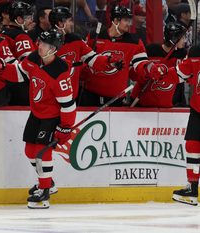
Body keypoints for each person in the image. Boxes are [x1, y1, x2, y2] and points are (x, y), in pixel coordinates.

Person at [0, 29, 76, 208]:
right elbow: (19, 72)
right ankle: (48, 183)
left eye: (43, 44)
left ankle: (44, 192)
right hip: (36, 112)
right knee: (29, 151)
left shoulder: (60, 72)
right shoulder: (34, 58)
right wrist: (2, 69)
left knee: (42, 151)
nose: (39, 45)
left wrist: (65, 127)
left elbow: (68, 104)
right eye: (40, 42)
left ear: (53, 49)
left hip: (52, 116)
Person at [81, 5, 165, 106]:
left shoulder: (134, 41)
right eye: (126, 20)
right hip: (90, 94)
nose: (129, 24)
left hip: (115, 98)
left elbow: (141, 63)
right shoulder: (95, 36)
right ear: (115, 21)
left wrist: (150, 68)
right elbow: (83, 56)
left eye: (129, 20)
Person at [48, 6, 124, 102]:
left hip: (70, 98)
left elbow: (93, 58)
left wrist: (109, 62)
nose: (72, 24)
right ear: (60, 23)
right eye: (69, 21)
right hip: (49, 99)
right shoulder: (45, 41)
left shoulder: (75, 40)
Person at [164, 46, 200, 206]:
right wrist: (161, 73)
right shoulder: (196, 53)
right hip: (198, 108)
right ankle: (192, 188)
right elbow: (180, 73)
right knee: (192, 145)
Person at [130, 21, 187, 107]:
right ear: (174, 39)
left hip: (167, 103)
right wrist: (149, 71)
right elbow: (135, 71)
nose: (185, 40)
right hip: (143, 101)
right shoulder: (151, 50)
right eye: (182, 38)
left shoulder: (182, 53)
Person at [0, 1, 36, 106]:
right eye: (29, 17)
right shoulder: (21, 36)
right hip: (18, 86)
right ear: (19, 19)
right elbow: (29, 64)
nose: (31, 20)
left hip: (1, 84)